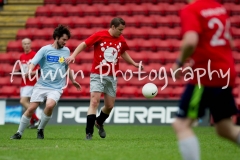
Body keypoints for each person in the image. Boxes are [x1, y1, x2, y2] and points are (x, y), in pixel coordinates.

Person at [172, 0, 239, 160]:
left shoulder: (192, 10)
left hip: (206, 76)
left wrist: (179, 63)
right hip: (225, 71)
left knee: (181, 124)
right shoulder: (218, 7)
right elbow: (229, 42)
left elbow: (190, 41)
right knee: (225, 128)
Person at [65, 17, 143, 140]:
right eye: (119, 29)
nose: (121, 32)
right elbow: (83, 44)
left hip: (112, 76)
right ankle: (89, 133)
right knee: (94, 101)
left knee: (109, 106)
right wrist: (73, 55)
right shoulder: (100, 35)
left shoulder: (121, 39)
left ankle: (99, 122)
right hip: (97, 74)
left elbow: (122, 52)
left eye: (123, 30)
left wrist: (134, 63)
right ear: (112, 27)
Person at [10, 25, 81, 140]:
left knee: (50, 105)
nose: (65, 42)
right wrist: (29, 70)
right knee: (31, 108)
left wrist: (73, 80)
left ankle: (40, 129)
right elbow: (33, 62)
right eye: (63, 39)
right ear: (57, 37)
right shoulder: (45, 50)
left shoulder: (66, 51)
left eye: (66, 40)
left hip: (56, 86)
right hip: (42, 85)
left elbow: (66, 67)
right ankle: (19, 133)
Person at [19, 38, 40, 129]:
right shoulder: (21, 56)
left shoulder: (35, 55)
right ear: (22, 45)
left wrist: (31, 73)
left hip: (32, 82)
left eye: (28, 43)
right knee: (28, 104)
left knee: (23, 101)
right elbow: (22, 69)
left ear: (30, 44)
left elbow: (40, 70)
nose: (26, 45)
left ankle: (37, 119)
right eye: (25, 44)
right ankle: (33, 122)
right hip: (23, 83)